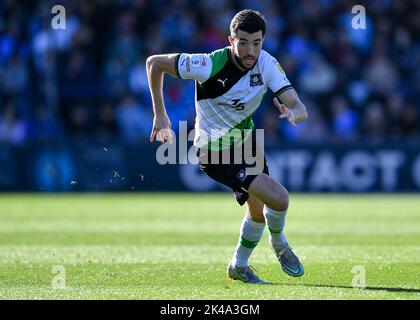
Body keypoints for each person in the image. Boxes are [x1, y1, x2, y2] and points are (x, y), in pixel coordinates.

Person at [146, 9, 308, 284]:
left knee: (257, 211)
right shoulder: (208, 64)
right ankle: (279, 243)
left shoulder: (267, 64)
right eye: (243, 42)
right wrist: (160, 115)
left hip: (247, 144)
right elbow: (154, 63)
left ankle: (239, 265)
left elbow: (298, 105)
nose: (250, 50)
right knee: (280, 198)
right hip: (213, 151)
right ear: (231, 40)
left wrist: (294, 114)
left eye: (256, 43)